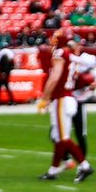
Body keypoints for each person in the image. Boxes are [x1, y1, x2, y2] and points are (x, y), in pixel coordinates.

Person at [35, 31, 91, 183]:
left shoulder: (60, 53)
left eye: (53, 41)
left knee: (63, 138)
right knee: (59, 137)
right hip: (67, 98)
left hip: (61, 99)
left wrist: (45, 97)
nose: (51, 43)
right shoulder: (69, 54)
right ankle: (53, 170)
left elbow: (54, 77)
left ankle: (85, 165)